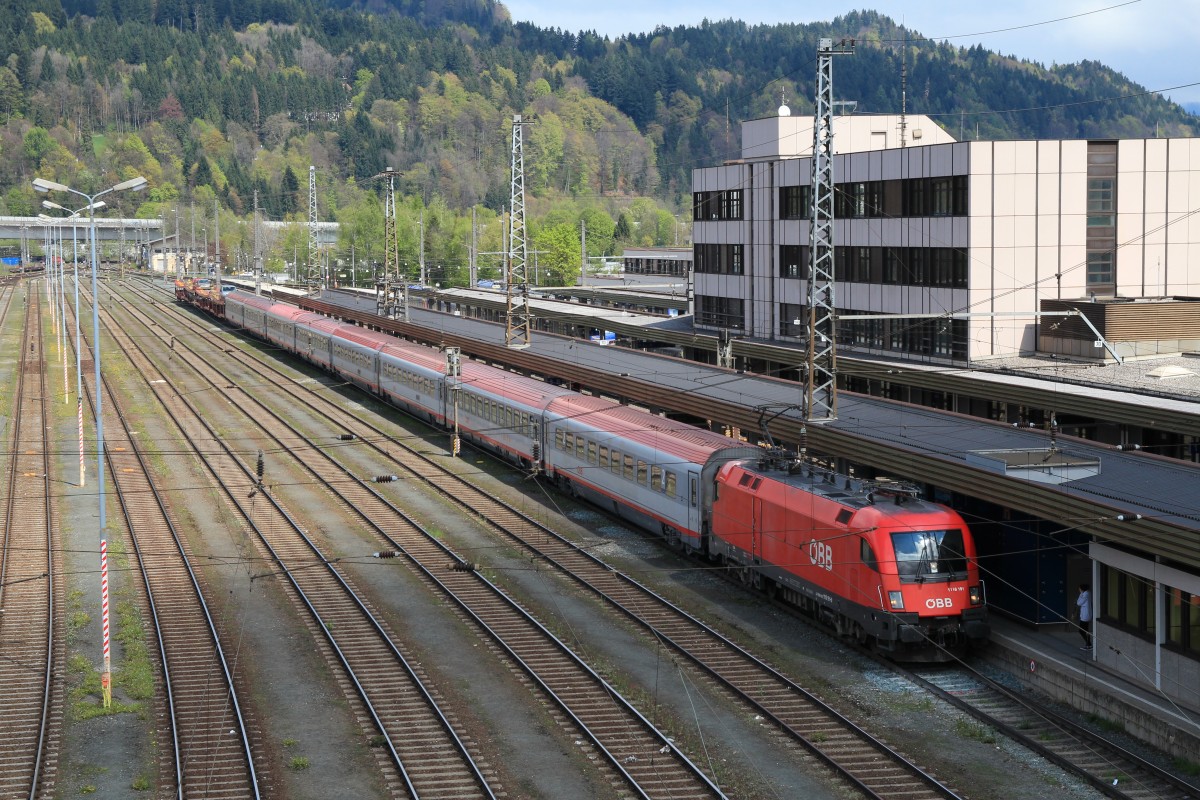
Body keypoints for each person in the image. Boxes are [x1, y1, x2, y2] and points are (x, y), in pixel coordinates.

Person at [1076, 583, 1092, 650]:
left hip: (1085, 616)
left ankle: (1088, 644)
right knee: (1086, 630)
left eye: (1079, 588)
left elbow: (1078, 603)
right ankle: (1088, 644)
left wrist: (1080, 594)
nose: (1079, 589)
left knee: (1081, 630)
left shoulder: (1085, 594)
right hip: (1086, 614)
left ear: (1082, 589)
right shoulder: (1087, 593)